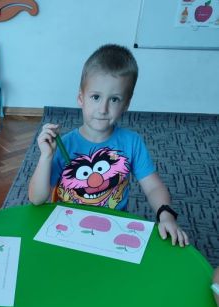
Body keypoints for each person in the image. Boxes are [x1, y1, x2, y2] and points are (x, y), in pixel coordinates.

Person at [28, 44, 189, 247]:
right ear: (81, 98)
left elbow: (154, 186)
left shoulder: (132, 142)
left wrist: (166, 215)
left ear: (126, 104)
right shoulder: (64, 145)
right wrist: (46, 157)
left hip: (113, 231)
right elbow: (36, 198)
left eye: (114, 99)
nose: (103, 109)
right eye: (95, 97)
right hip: (67, 229)